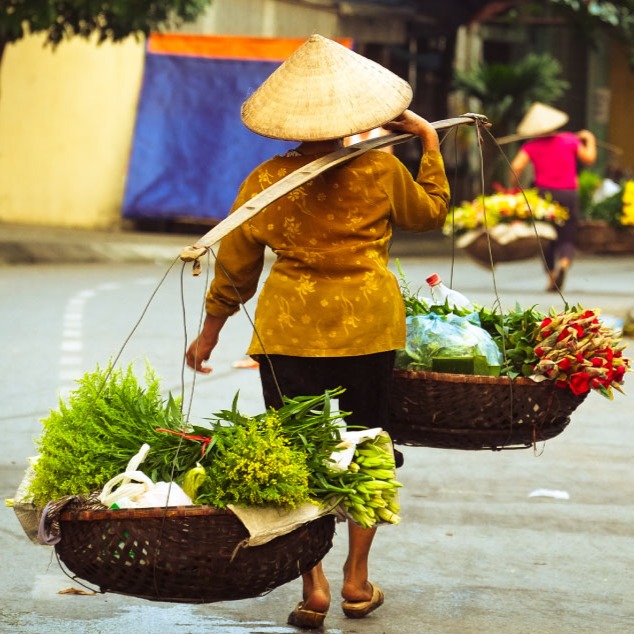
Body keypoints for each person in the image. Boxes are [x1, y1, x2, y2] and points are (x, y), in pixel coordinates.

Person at [185, 34, 450, 630]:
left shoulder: (266, 181)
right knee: (364, 449)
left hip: (289, 334)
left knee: (300, 457)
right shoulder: (381, 168)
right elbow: (429, 213)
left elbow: (235, 265)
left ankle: (315, 588)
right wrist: (429, 143)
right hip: (367, 328)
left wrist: (210, 332)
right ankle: (358, 579)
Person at [510, 102, 597, 291]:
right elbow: (589, 159)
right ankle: (564, 264)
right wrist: (589, 139)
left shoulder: (531, 145)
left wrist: (515, 187)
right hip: (568, 194)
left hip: (544, 197)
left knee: (546, 236)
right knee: (567, 236)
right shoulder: (569, 140)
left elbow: (516, 167)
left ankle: (551, 277)